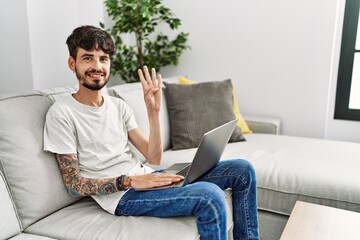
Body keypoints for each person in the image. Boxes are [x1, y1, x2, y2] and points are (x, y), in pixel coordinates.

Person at [43, 25, 259, 240]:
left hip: (147, 178)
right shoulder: (62, 113)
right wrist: (128, 181)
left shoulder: (118, 107)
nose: (97, 66)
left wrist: (153, 112)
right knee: (210, 196)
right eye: (88, 58)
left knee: (242, 170)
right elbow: (74, 185)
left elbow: (154, 157)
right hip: (122, 196)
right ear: (73, 64)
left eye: (103, 58)